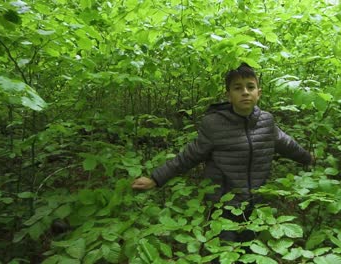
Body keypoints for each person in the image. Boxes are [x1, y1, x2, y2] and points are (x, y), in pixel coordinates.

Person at [132, 63, 312, 243]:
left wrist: (309, 158)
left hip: (256, 203)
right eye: (237, 88)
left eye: (250, 87)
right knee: (223, 252)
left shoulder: (266, 121)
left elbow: (287, 144)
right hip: (224, 205)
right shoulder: (214, 124)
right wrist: (155, 179)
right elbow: (189, 156)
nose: (245, 92)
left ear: (259, 92)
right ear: (228, 96)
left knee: (250, 251)